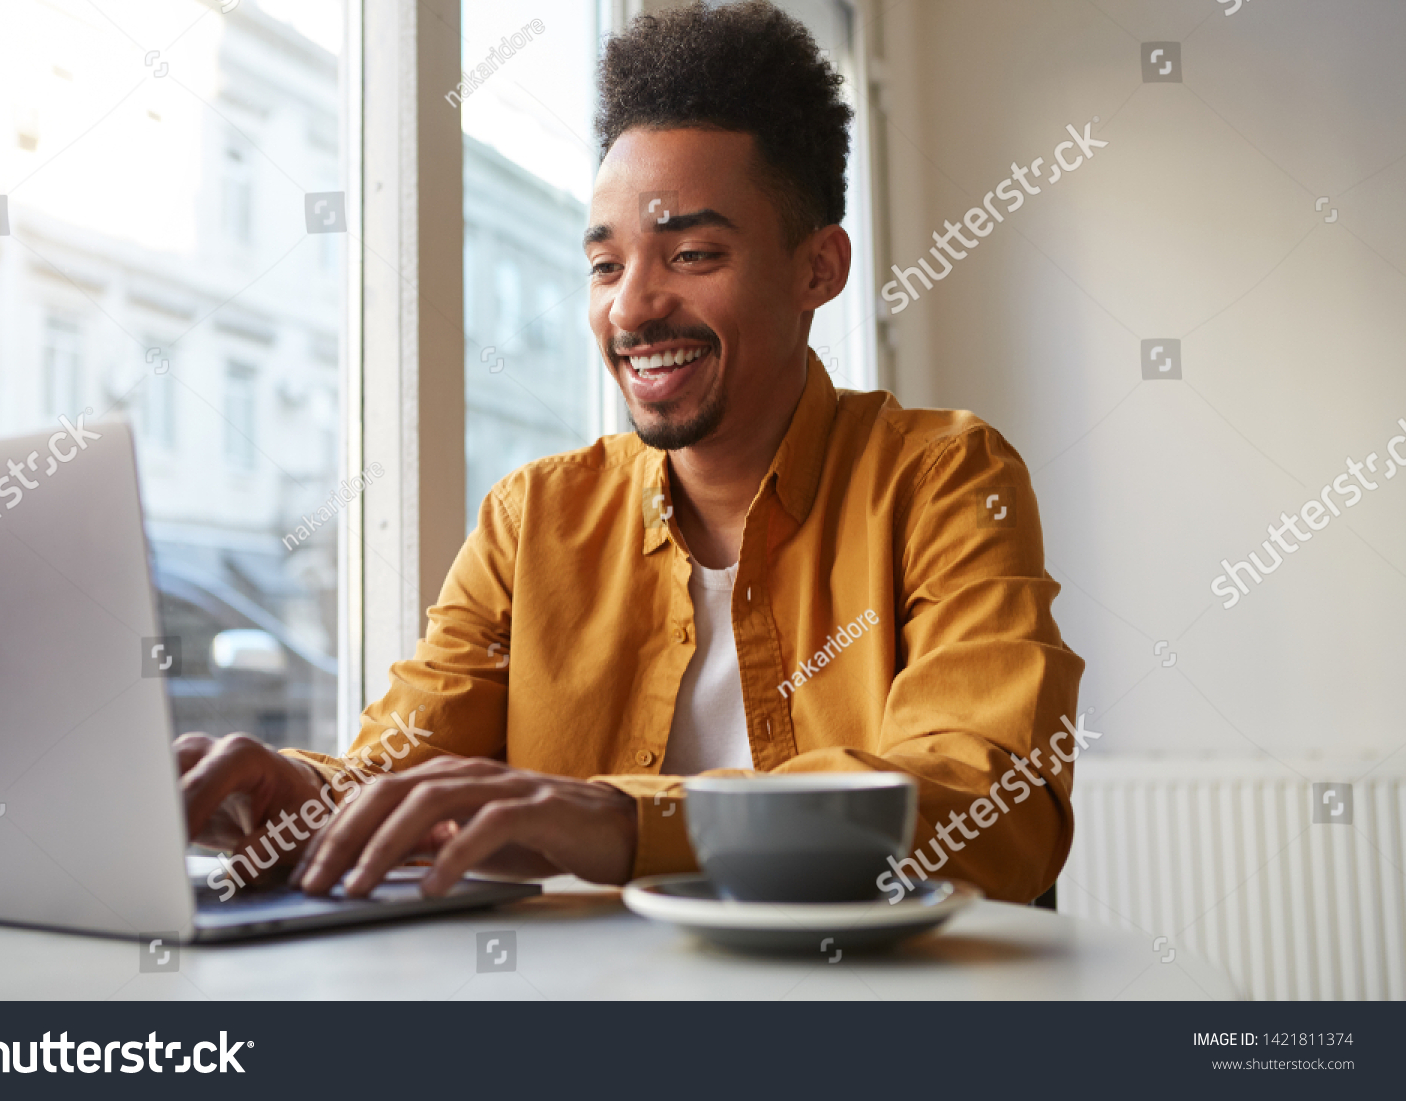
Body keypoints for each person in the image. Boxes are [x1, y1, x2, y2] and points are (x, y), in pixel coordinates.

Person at [179, 0, 1084, 905]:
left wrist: (619, 820)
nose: (631, 309)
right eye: (606, 265)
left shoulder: (944, 479)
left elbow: (995, 803)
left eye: (691, 253)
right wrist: (300, 796)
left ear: (819, 269)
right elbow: (396, 769)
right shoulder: (531, 519)